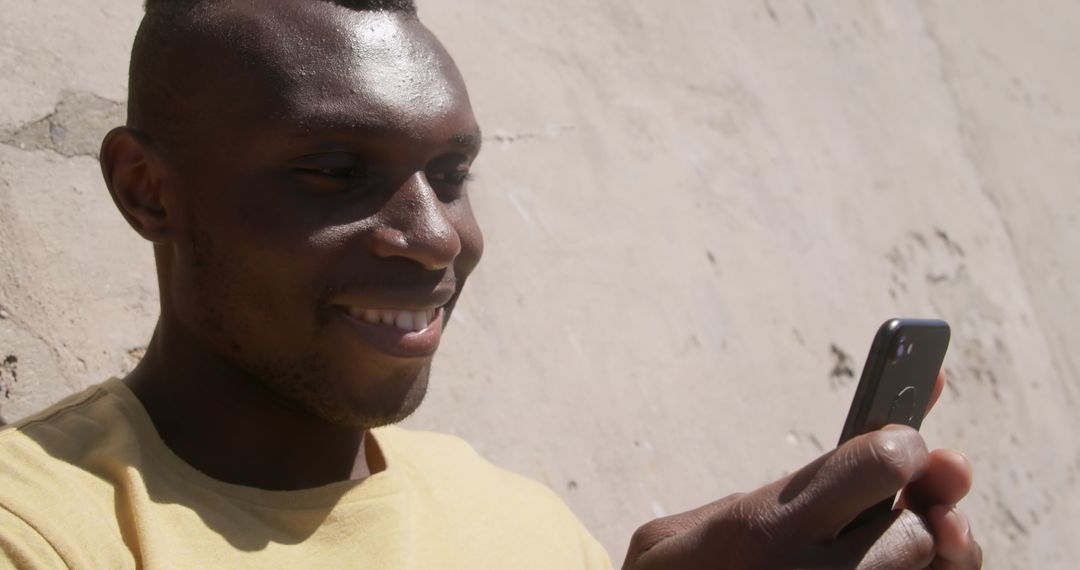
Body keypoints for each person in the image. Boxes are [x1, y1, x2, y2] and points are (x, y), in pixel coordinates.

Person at [0, 1, 982, 568]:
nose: (435, 237)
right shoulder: (40, 529)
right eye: (333, 173)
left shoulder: (522, 520)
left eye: (453, 174)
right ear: (147, 189)